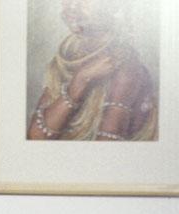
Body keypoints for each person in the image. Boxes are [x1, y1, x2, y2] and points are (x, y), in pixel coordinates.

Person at [27, 0, 157, 141]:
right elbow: (35, 136)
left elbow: (108, 148)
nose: (72, 6)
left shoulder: (125, 66)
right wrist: (80, 81)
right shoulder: (67, 56)